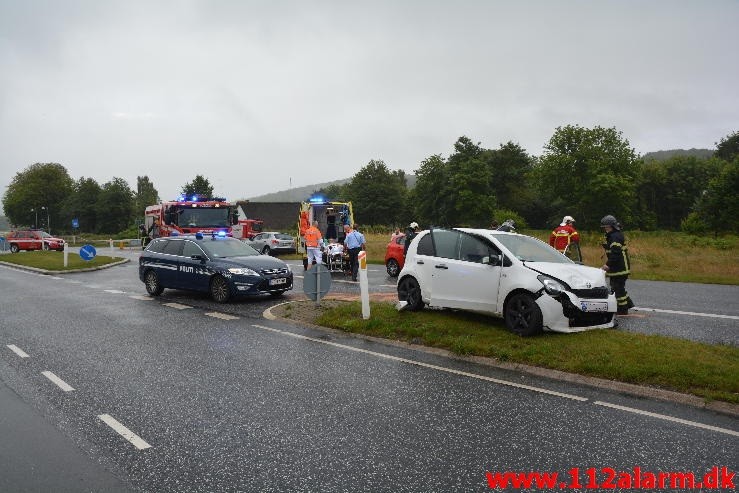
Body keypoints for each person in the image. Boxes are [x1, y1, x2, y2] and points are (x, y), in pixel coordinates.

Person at [600, 215, 634, 315]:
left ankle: (623, 310)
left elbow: (616, 253)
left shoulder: (615, 236)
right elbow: (612, 249)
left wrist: (607, 265)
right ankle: (628, 304)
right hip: (618, 268)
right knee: (617, 288)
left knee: (618, 289)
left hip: (620, 268)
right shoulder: (613, 235)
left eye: (605, 227)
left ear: (610, 226)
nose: (605, 229)